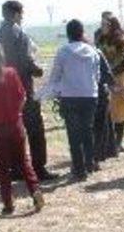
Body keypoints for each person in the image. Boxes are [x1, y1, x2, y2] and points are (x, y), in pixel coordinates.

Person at [0, 41, 45, 215]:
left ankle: (8, 203)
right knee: (24, 162)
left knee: (3, 167)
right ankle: (35, 190)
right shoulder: (11, 73)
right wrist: (16, 113)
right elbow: (22, 97)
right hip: (14, 124)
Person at [0, 0, 57, 181]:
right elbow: (26, 61)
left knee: (11, 130)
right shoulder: (20, 34)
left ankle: (16, 169)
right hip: (22, 89)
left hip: (2, 91)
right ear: (16, 15)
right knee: (35, 129)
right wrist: (38, 70)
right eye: (21, 14)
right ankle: (38, 168)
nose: (22, 18)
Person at [42, 19, 100, 182]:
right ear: (82, 33)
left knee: (74, 134)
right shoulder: (93, 51)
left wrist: (52, 91)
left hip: (70, 96)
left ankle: (79, 169)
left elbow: (55, 76)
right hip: (90, 95)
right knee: (87, 130)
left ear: (68, 34)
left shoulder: (63, 52)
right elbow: (97, 75)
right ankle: (90, 163)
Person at [98, 17, 124, 152]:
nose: (102, 26)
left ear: (112, 25)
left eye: (105, 24)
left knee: (121, 111)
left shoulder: (122, 40)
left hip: (121, 79)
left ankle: (117, 143)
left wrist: (111, 73)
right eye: (102, 24)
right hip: (106, 79)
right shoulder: (101, 40)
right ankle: (109, 144)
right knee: (108, 112)